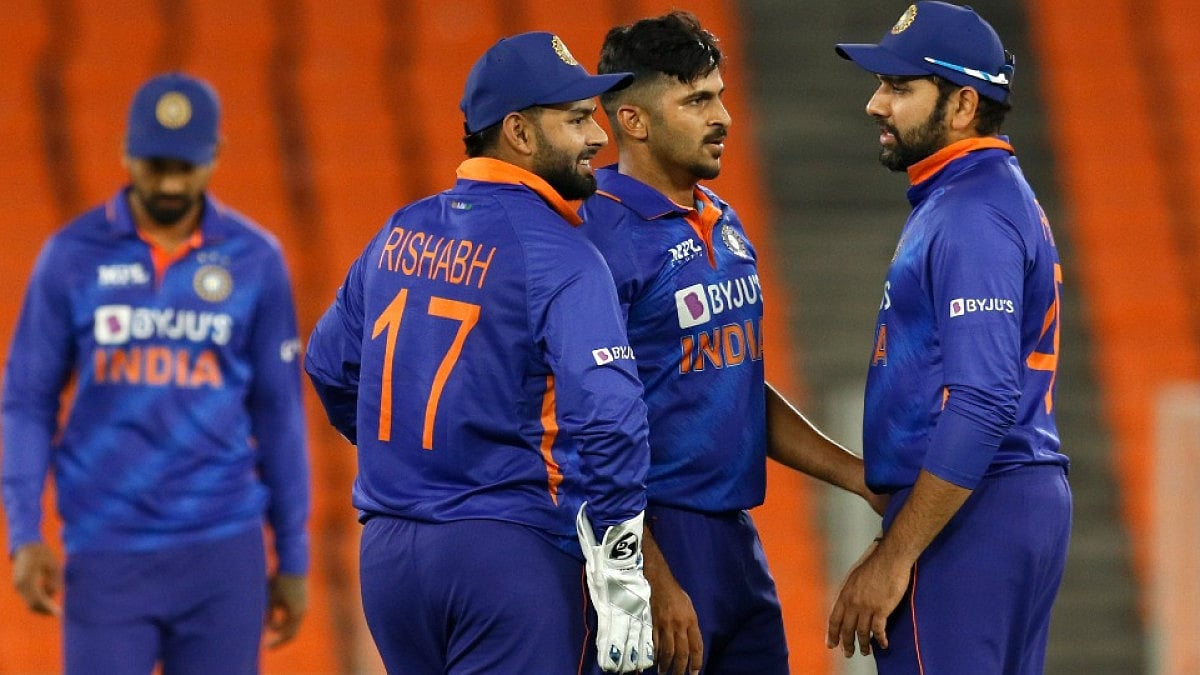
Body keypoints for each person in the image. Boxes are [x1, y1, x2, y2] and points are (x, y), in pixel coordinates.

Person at [303, 32, 655, 674]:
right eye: (576, 119)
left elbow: (329, 364)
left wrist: (415, 458)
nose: (599, 137)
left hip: (389, 557)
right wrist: (618, 558)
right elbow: (609, 418)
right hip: (506, 554)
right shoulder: (564, 255)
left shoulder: (400, 229)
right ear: (518, 132)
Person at [580, 12, 883, 675]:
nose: (723, 117)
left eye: (720, 95)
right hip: (648, 537)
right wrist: (650, 576)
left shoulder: (724, 221)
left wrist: (857, 477)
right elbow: (576, 424)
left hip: (733, 540)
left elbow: (735, 384)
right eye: (696, 100)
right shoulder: (596, 238)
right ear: (632, 120)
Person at [1, 72, 311, 674]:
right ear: (125, 152)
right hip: (108, 552)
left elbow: (278, 413)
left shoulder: (256, 260)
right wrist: (24, 531)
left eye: (186, 166)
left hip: (224, 554)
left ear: (216, 156)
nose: (170, 183)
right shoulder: (71, 255)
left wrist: (293, 558)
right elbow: (27, 400)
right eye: (155, 164)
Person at [826, 3, 1073, 673]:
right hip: (999, 499)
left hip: (972, 510)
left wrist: (897, 552)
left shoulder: (970, 211)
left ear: (964, 104)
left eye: (901, 87)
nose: (877, 103)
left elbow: (984, 399)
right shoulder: (984, 195)